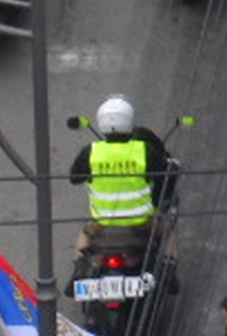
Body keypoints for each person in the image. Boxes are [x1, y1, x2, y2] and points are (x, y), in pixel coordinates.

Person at [72, 93, 173, 237]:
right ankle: (171, 259)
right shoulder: (144, 149)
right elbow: (163, 175)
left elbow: (74, 178)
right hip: (142, 220)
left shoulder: (91, 151)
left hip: (103, 220)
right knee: (169, 231)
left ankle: (79, 258)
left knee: (85, 235)